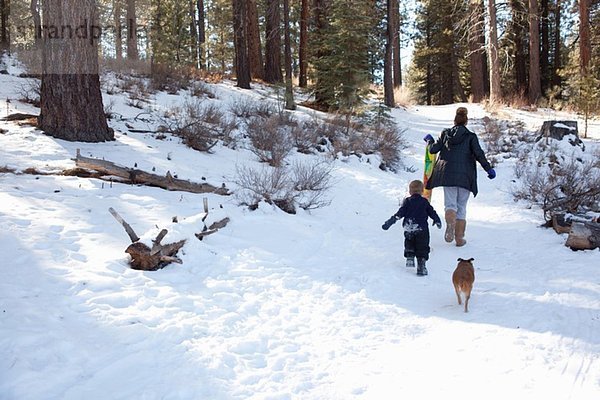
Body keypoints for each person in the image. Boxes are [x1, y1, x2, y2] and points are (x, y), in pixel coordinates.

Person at [423, 107, 495, 247]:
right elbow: (479, 154)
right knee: (461, 206)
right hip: (465, 176)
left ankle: (450, 224)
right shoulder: (470, 137)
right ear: (466, 121)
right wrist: (488, 169)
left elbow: (433, 149)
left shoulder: (445, 133)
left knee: (450, 204)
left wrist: (430, 141)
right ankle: (459, 238)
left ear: (454, 120)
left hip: (447, 174)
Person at [382, 180, 442, 276]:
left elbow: (400, 213)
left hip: (409, 227)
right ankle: (421, 266)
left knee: (409, 241)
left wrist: (390, 222)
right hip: (421, 229)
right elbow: (432, 212)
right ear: (422, 191)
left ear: (410, 191)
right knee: (422, 246)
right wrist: (437, 220)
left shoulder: (407, 202)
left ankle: (410, 256)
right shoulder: (424, 202)